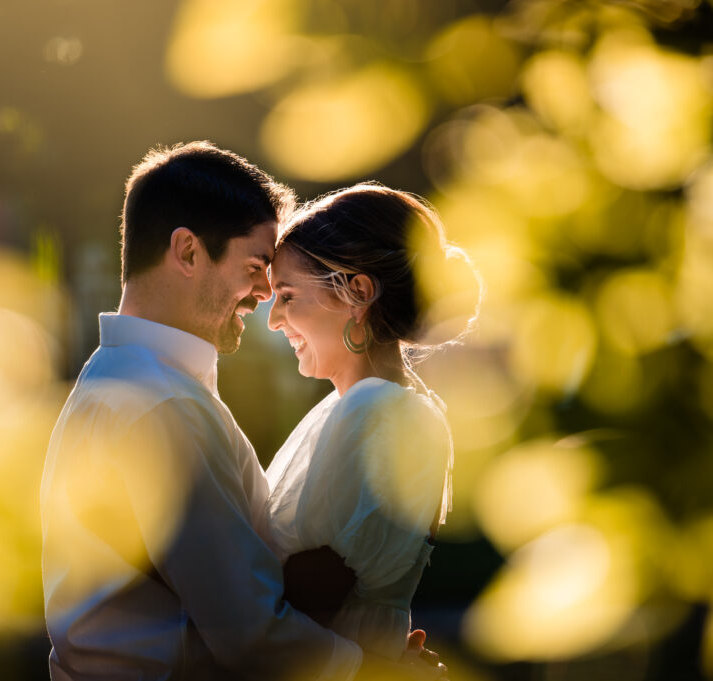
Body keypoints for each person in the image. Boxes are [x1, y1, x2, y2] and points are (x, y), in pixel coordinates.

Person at [40, 142, 445, 681]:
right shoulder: (162, 404)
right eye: (256, 267)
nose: (262, 296)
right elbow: (249, 631)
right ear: (187, 252)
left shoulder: (122, 381)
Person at [264, 183, 480, 660]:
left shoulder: (378, 413)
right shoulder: (371, 407)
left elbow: (300, 602)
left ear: (356, 292)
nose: (274, 319)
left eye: (287, 294)